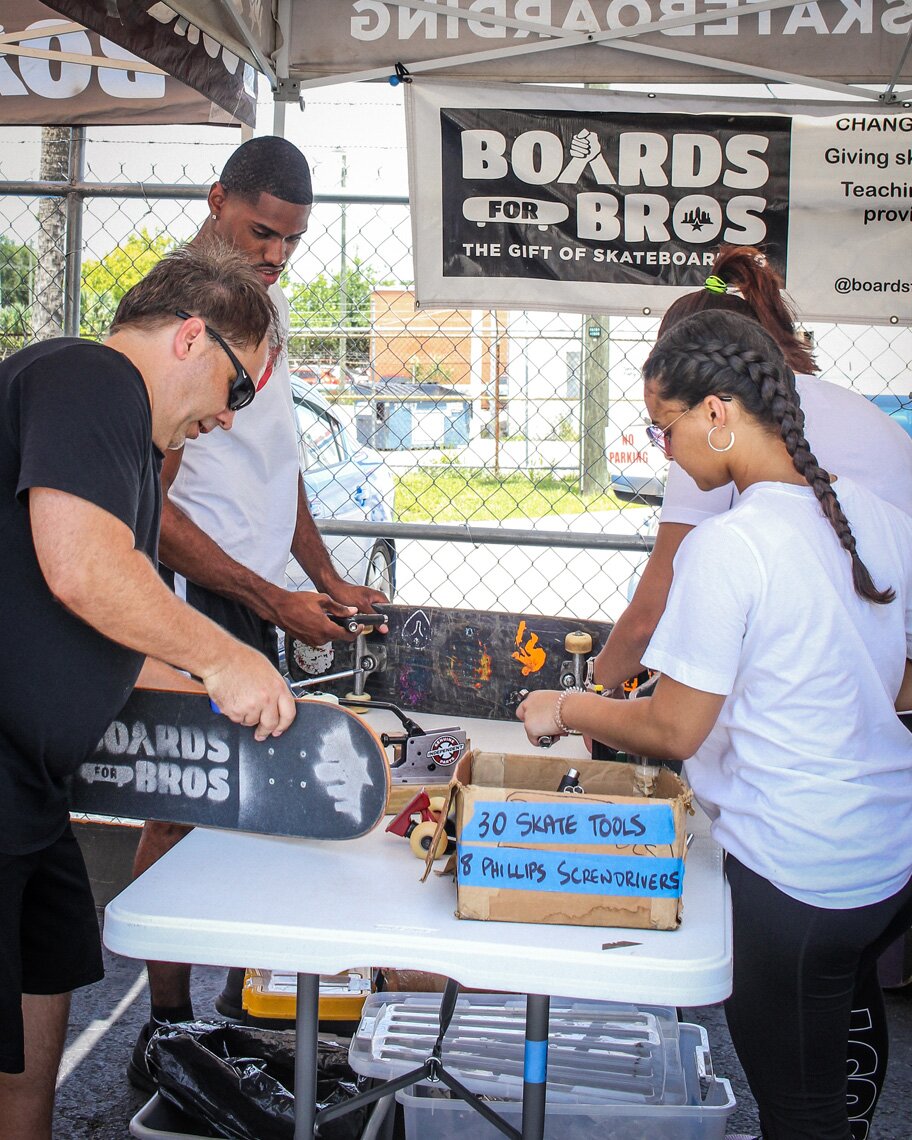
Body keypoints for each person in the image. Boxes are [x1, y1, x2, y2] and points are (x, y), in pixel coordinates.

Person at [518, 309, 912, 1140]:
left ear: (719, 414)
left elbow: (672, 730)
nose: (664, 451)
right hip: (886, 856)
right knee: (832, 1073)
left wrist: (566, 706)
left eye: (664, 429)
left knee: (799, 1112)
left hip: (798, 880)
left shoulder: (731, 547)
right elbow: (891, 678)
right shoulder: (872, 517)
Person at [0, 242, 297, 1140]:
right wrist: (226, 659)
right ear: (191, 339)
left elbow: (114, 635)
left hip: (31, 789)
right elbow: (86, 572)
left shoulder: (125, 443)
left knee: (41, 1002)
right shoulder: (90, 375)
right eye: (238, 390)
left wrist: (272, 710)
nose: (230, 419)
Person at [128, 136, 388, 1088]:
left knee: (258, 799)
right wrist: (268, 593)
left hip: (257, 591)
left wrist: (320, 575)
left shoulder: (260, 306)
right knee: (181, 804)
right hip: (197, 598)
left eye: (292, 240)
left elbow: (282, 474)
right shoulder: (173, 307)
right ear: (216, 200)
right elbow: (148, 511)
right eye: (261, 232)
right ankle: (163, 1027)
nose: (276, 255)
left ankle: (235, 1016)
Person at [593, 244, 912, 693]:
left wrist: (586, 696)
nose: (668, 448)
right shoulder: (853, 413)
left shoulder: (712, 428)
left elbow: (650, 614)